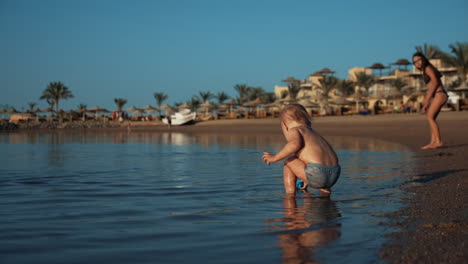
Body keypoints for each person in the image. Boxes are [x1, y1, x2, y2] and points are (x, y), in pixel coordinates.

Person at [262, 104, 340, 196]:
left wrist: (275, 157)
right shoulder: (313, 133)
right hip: (335, 173)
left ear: (284, 125)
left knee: (289, 161)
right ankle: (325, 192)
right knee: (298, 158)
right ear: (308, 122)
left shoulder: (294, 130)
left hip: (317, 173)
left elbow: (294, 145)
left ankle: (290, 196)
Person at [412, 52, 448, 149]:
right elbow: (431, 86)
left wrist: (427, 99)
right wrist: (426, 104)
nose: (417, 63)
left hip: (440, 94)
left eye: (419, 60)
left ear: (423, 59)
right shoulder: (424, 70)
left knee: (430, 117)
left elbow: (435, 82)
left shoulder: (428, 68)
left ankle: (439, 142)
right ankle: (433, 142)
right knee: (431, 118)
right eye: (415, 62)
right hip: (437, 95)